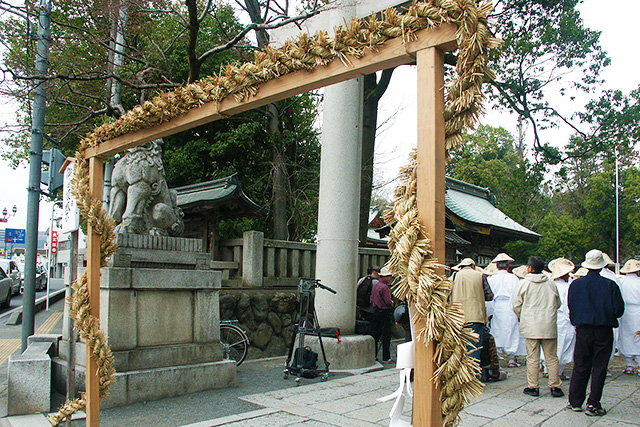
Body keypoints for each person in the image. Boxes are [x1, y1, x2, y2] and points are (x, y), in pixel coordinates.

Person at [567, 249, 625, 416]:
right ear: (602, 266)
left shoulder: (576, 285)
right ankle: (593, 403)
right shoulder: (610, 285)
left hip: (583, 329)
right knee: (599, 367)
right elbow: (619, 310)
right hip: (603, 329)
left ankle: (575, 401)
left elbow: (572, 306)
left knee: (580, 365)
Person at [513, 256, 563, 398]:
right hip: (548, 324)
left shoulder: (523, 284)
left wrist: (523, 315)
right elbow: (558, 303)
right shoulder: (551, 284)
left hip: (531, 324)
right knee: (552, 357)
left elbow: (516, 304)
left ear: (530, 268)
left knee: (533, 357)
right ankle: (555, 386)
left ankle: (533, 386)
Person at [451, 258, 494, 372]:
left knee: (460, 348)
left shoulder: (454, 276)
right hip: (476, 316)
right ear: (473, 266)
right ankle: (473, 376)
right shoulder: (480, 276)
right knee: (474, 348)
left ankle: (461, 375)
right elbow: (489, 296)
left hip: (458, 317)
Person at [487, 253, 523, 367]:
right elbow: (517, 295)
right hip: (510, 307)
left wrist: (489, 312)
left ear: (497, 266)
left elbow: (489, 296)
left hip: (497, 306)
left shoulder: (491, 279)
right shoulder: (514, 278)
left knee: (497, 330)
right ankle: (512, 358)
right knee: (512, 330)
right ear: (508, 266)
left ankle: (497, 355)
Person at [542, 258, 576, 380]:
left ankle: (547, 369)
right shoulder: (567, 288)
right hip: (563, 319)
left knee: (549, 345)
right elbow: (568, 306)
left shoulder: (549, 284)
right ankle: (558, 371)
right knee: (563, 345)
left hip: (549, 318)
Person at [618, 259, 640, 374]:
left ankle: (629, 365)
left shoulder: (622, 282)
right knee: (637, 336)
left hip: (625, 312)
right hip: (638, 311)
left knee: (625, 336)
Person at [371, 265, 394, 363]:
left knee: (376, 335)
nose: (390, 278)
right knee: (386, 335)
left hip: (376, 311)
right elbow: (388, 301)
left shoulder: (376, 285)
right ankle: (386, 357)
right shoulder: (384, 287)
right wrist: (392, 303)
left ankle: (374, 355)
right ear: (385, 276)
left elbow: (371, 298)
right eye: (389, 276)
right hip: (384, 312)